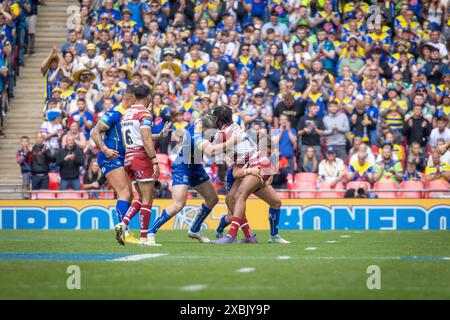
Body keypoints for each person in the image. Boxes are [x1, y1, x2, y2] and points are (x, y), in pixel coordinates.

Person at [146, 113, 239, 245]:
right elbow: (211, 151)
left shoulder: (201, 124)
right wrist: (231, 141)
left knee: (213, 199)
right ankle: (150, 232)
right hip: (182, 167)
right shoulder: (197, 136)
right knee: (178, 204)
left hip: (196, 167)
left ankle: (194, 230)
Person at [211, 106, 281, 244]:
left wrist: (196, 138)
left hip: (255, 166)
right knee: (232, 198)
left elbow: (211, 151)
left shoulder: (222, 133)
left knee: (238, 197)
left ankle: (231, 236)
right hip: (257, 164)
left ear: (218, 119)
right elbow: (238, 167)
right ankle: (251, 236)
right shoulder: (235, 126)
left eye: (214, 117)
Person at [91, 86, 140, 244]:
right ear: (128, 99)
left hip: (122, 158)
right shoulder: (115, 113)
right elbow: (94, 132)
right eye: (135, 100)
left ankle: (124, 229)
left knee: (130, 195)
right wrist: (105, 149)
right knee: (124, 193)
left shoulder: (129, 114)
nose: (137, 103)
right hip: (110, 157)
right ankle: (123, 231)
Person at [114, 85, 161, 247]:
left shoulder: (126, 113)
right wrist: (155, 161)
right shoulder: (144, 113)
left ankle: (123, 223)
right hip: (141, 156)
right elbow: (146, 139)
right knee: (148, 198)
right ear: (148, 98)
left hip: (129, 157)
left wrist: (158, 135)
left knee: (139, 197)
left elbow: (134, 136)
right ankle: (144, 239)